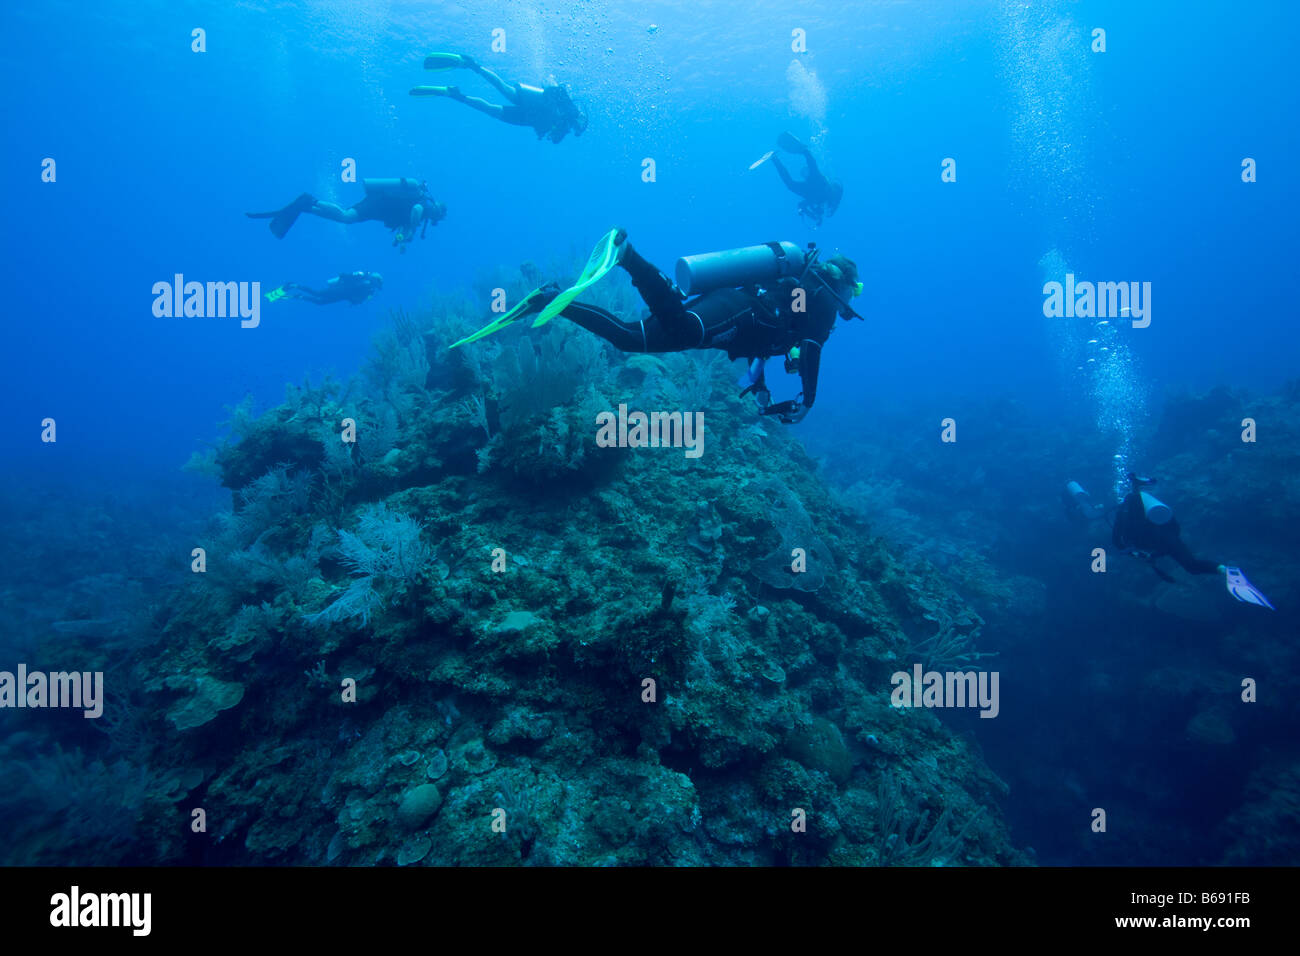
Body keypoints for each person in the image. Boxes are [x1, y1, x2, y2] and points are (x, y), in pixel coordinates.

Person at [455, 229, 864, 424]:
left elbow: (768, 349)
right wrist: (808, 399)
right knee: (686, 329)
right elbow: (810, 348)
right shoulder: (825, 300)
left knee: (630, 337)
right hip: (742, 311)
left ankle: (549, 298)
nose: (850, 300)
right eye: (854, 292)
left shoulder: (810, 295)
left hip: (741, 317)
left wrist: (759, 388)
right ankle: (628, 255)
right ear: (844, 284)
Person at [1066, 473, 1274, 608]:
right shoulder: (1155, 508)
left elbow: (1118, 542)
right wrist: (1166, 545)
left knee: (1189, 567)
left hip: (1155, 544)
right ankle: (1225, 569)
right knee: (1192, 565)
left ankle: (1226, 572)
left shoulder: (1123, 511)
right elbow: (1175, 526)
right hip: (1168, 539)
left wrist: (1141, 554)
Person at [411, 53, 588, 143]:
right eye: (579, 127)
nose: (577, 129)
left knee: (498, 94)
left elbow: (552, 134)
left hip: (529, 112)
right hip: (531, 107)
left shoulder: (566, 119)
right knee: (493, 104)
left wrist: (547, 131)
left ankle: (468, 71)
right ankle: (458, 89)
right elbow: (554, 94)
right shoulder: (568, 113)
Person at [246, 178, 445, 252]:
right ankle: (311, 201)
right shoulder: (427, 205)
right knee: (345, 216)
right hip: (378, 204)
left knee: (345, 218)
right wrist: (411, 231)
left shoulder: (425, 207)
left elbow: (404, 220)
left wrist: (401, 237)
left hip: (379, 207)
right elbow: (416, 211)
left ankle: (308, 207)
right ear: (438, 210)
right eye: (438, 216)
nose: (435, 219)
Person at [767, 132, 843, 226]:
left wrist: (812, 215)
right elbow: (805, 204)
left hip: (812, 190)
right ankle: (804, 151)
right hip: (820, 184)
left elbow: (802, 205)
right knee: (811, 167)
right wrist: (813, 213)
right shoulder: (826, 197)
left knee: (790, 185)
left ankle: (775, 159)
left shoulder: (819, 201)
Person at [266, 272, 383, 306]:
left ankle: (297, 296)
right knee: (317, 294)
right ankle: (293, 285)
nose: (376, 288)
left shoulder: (368, 288)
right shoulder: (366, 284)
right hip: (339, 290)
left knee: (319, 302)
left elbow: (355, 299)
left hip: (341, 296)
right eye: (377, 285)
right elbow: (347, 279)